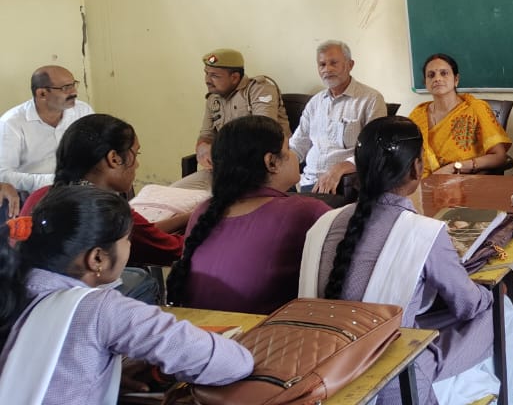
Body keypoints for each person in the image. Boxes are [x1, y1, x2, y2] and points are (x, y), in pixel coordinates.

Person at [299, 116, 513, 405]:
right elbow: (468, 306)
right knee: (501, 309)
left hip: (320, 370)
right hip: (396, 381)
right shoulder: (423, 232)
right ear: (417, 168)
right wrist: (489, 294)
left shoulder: (323, 224)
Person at [0, 186, 253, 402]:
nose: (130, 246)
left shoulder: (12, 285)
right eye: (127, 239)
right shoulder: (101, 309)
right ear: (97, 258)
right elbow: (232, 363)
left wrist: (102, 373)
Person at [167, 115, 330, 314]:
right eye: (288, 149)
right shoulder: (304, 211)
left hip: (197, 326)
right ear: (271, 162)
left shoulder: (205, 209)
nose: (295, 156)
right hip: (260, 331)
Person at [22, 114, 186, 304]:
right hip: (71, 300)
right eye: (135, 154)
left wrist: (188, 217)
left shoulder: (42, 195)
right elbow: (172, 250)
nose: (137, 164)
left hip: (28, 295)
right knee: (142, 279)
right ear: (114, 159)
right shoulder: (104, 209)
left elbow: (144, 233)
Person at [177, 48, 290, 190]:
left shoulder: (259, 89)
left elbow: (263, 134)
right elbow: (206, 134)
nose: (207, 80)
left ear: (235, 77)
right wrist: (203, 149)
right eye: (206, 73)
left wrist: (223, 152)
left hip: (263, 172)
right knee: (174, 193)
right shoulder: (213, 99)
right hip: (224, 170)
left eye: (214, 75)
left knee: (214, 200)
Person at [290, 40, 387, 194]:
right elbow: (297, 145)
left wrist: (341, 168)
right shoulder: (315, 103)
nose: (327, 69)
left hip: (342, 185)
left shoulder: (371, 100)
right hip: (306, 182)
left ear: (350, 65)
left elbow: (374, 150)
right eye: (322, 65)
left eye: (333, 63)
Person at [407, 53, 511, 175]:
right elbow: (406, 156)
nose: (437, 78)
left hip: (462, 180)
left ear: (456, 80)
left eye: (444, 73)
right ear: (425, 83)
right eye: (431, 75)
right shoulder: (418, 114)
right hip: (420, 181)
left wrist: (457, 167)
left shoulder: (476, 109)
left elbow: (499, 156)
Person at [0, 65, 94, 195]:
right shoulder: (11, 123)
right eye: (65, 88)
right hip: (35, 194)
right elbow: (3, 174)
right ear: (42, 94)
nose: (74, 92)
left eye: (73, 85)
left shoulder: (82, 111)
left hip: (80, 188)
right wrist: (54, 180)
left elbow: (96, 149)